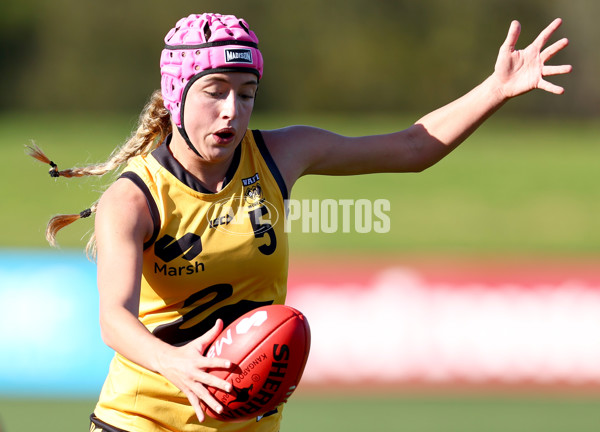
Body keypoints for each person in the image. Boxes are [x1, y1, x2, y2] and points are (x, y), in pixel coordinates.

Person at [28, 12, 571, 432]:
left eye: (246, 94)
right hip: (141, 420)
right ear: (176, 95)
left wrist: (495, 89)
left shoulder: (283, 154)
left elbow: (411, 147)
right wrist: (176, 366)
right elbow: (113, 322)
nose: (232, 111)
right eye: (215, 91)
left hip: (248, 422)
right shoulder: (136, 198)